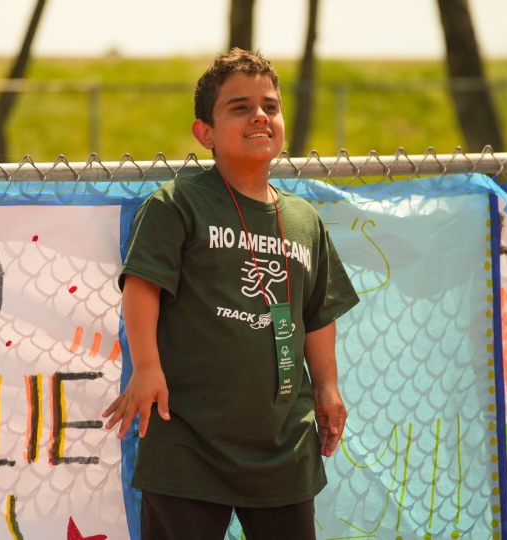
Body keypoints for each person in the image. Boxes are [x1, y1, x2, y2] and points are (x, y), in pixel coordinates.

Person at [103, 48, 359, 540]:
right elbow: (142, 287)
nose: (259, 116)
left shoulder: (305, 219)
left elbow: (318, 313)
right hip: (188, 444)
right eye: (239, 107)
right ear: (206, 133)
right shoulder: (177, 204)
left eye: (270, 106)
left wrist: (327, 388)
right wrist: (148, 368)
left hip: (283, 446)